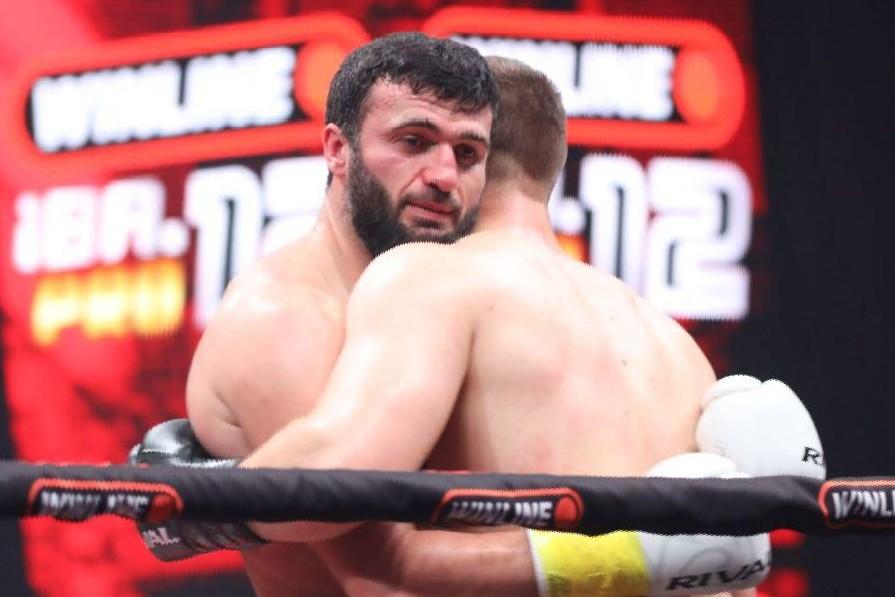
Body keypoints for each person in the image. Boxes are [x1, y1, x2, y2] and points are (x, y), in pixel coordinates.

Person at [238, 57, 814, 596]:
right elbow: (724, 565)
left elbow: (343, 496)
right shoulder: (675, 345)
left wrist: (210, 495)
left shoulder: (433, 277)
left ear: (473, 154)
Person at [176, 32, 498, 595]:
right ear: (337, 150)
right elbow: (390, 581)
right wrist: (619, 558)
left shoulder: (442, 310)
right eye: (415, 141)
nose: (445, 177)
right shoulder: (280, 318)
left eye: (467, 154)